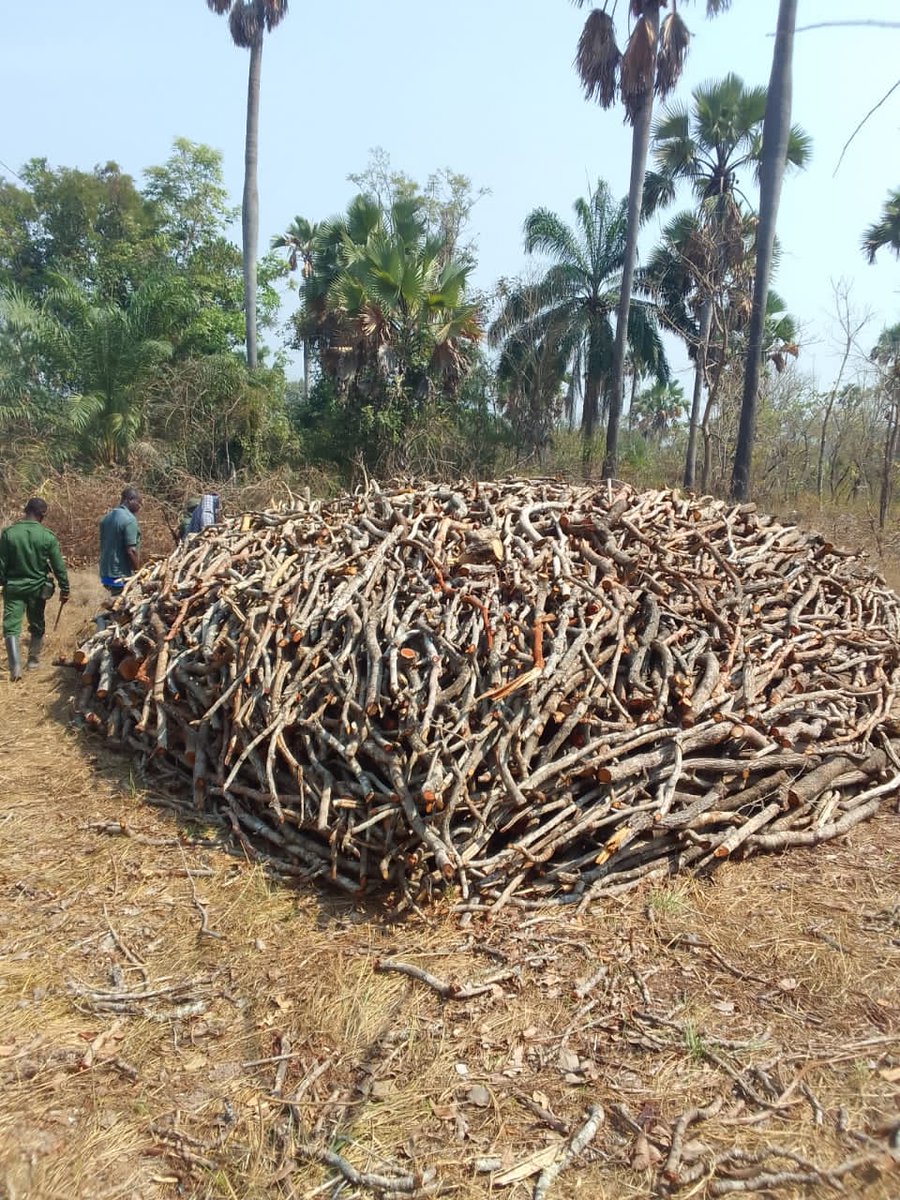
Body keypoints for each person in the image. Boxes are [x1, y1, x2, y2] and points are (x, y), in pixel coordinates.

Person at [0, 497, 70, 681]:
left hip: (13, 587)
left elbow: (1, 564)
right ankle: (33, 661)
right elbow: (58, 566)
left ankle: (15, 668)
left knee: (11, 626)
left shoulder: (9, 533)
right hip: (37, 588)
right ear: (42, 514)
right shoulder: (47, 536)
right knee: (37, 623)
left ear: (26, 510)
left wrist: (3, 582)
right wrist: (65, 588)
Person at [99, 486, 142, 596]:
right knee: (123, 606)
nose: (139, 507)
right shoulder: (129, 519)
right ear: (129, 500)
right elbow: (131, 551)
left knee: (115, 603)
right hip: (119, 574)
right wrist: (139, 572)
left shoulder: (107, 517)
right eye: (138, 502)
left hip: (106, 571)